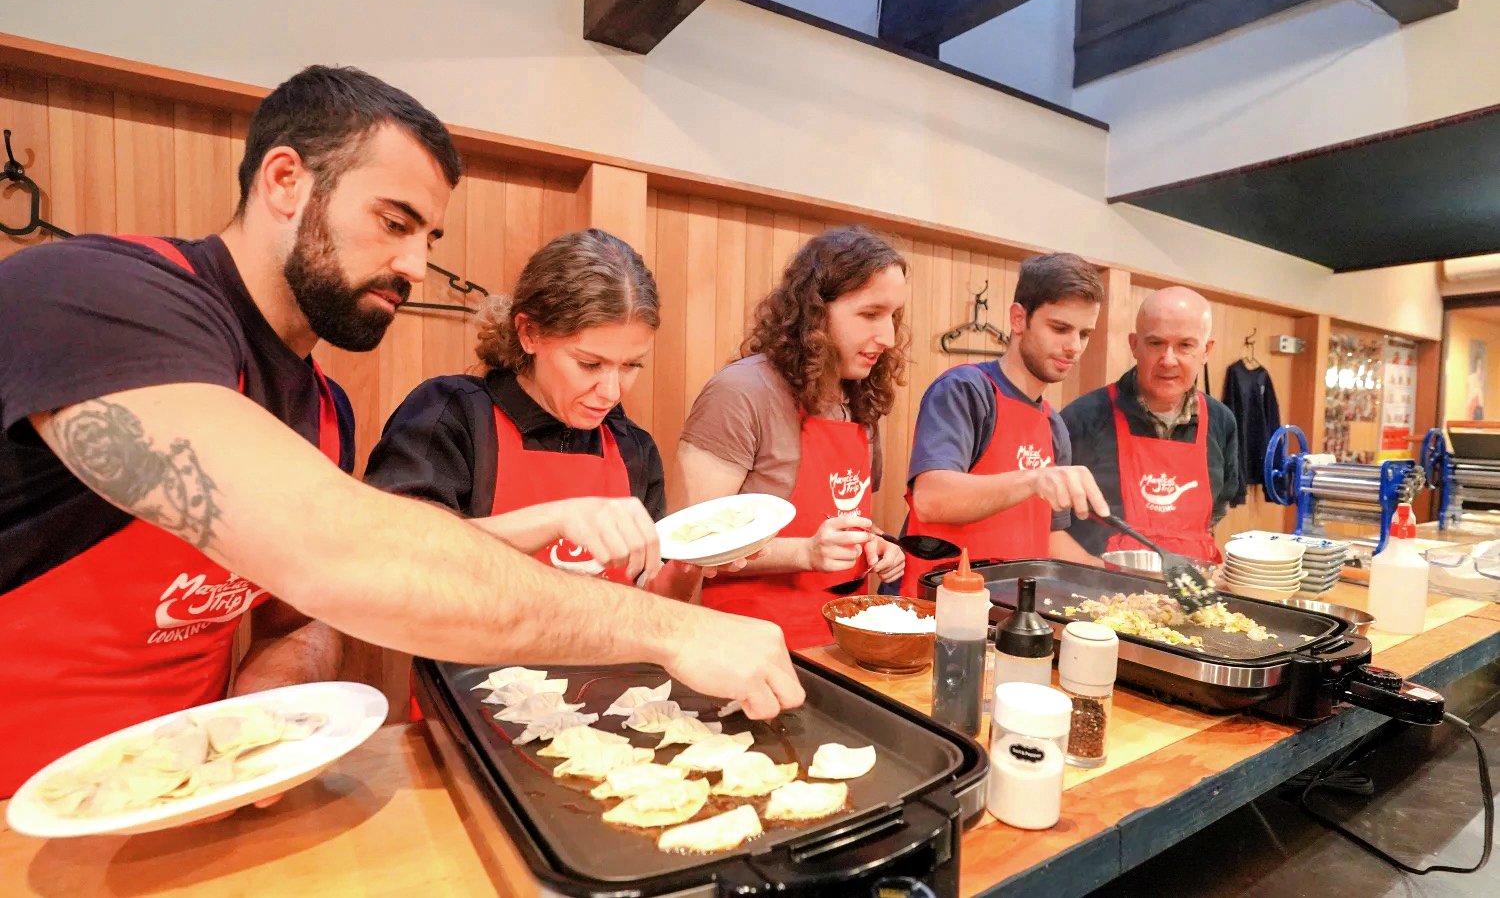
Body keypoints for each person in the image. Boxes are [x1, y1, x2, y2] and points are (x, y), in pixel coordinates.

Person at [0, 65, 801, 797]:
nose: (417, 266)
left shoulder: (323, 408)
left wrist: (277, 704)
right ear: (285, 180)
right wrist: (669, 629)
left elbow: (300, 611)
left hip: (179, 795)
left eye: (430, 238)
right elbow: (339, 549)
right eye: (394, 222)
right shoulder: (99, 294)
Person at [365, 227, 720, 595]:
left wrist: (691, 562)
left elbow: (651, 603)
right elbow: (396, 549)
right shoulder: (452, 414)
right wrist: (557, 519)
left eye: (631, 365)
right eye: (589, 364)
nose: (612, 392)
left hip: (606, 653)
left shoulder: (633, 449)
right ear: (529, 333)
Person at [676, 226, 909, 649]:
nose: (889, 338)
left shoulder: (859, 395)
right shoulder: (741, 392)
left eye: (894, 316)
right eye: (871, 314)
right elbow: (697, 544)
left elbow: (843, 515)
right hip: (752, 645)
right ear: (816, 312)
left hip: (845, 641)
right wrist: (805, 553)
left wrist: (873, 544)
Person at [901, 253, 1111, 592]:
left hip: (1012, 616)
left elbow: (1051, 538)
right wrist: (1034, 479)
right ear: (1018, 319)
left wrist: (1121, 578)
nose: (1073, 346)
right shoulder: (967, 390)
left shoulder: (1054, 426)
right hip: (940, 608)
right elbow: (931, 498)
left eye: (1084, 334)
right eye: (1060, 328)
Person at [1059, 286, 1242, 563]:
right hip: (1102, 592)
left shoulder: (1222, 421)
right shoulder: (1083, 417)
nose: (1168, 360)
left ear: (1206, 350)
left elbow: (1218, 507)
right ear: (1134, 345)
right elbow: (1051, 522)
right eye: (1156, 343)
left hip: (1190, 591)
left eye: (1185, 346)